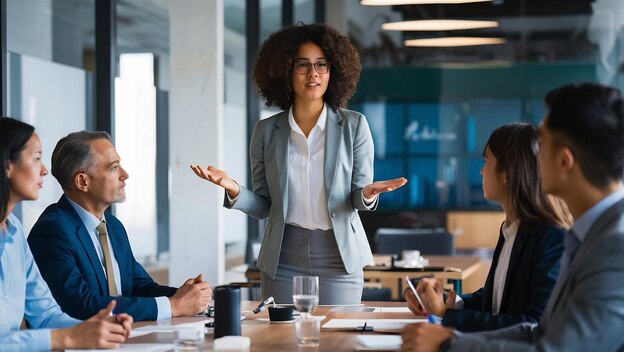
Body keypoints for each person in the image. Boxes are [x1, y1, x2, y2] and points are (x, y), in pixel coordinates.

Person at [191, 23, 406, 304]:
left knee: (338, 342)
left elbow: (356, 196)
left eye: (322, 65)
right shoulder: (266, 131)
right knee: (281, 341)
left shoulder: (354, 126)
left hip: (338, 258)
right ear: (285, 71)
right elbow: (264, 206)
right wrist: (233, 188)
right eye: (302, 65)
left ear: (334, 71)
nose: (313, 73)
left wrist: (366, 195)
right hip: (282, 259)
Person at [401, 82, 624, 351]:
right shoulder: (591, 234)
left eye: (540, 145)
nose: (531, 157)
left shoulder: (616, 245)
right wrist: (453, 333)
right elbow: (540, 332)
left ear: (564, 161)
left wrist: (450, 343)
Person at [28, 131, 212, 322]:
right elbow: (79, 305)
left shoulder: (113, 226)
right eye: (114, 168)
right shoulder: (52, 231)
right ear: (83, 181)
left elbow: (138, 286)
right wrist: (174, 305)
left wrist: (188, 296)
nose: (125, 175)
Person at [405, 123, 570, 332]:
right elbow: (495, 302)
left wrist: (448, 315)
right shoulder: (511, 229)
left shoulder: (551, 237)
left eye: (487, 161)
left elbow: (534, 324)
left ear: (507, 172)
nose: (482, 171)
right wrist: (445, 301)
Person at [0, 117, 133, 351]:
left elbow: (47, 315)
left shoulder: (15, 232)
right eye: (36, 159)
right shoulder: (53, 228)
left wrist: (95, 329)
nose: (44, 171)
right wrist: (67, 339)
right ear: (7, 166)